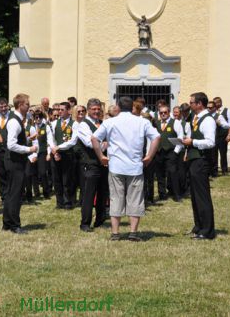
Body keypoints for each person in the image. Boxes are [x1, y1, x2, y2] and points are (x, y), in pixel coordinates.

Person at [92, 97, 160, 241]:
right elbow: (156, 137)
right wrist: (149, 156)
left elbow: (94, 139)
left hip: (116, 165)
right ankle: (133, 232)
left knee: (116, 198)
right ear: (132, 107)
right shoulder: (142, 122)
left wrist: (100, 156)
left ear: (118, 107)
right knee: (135, 199)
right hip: (135, 166)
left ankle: (115, 233)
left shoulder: (110, 122)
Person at [182, 92, 217, 240]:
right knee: (195, 196)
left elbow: (210, 142)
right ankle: (198, 226)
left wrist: (193, 143)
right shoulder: (195, 118)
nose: (190, 105)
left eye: (191, 102)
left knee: (202, 196)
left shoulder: (208, 120)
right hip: (193, 159)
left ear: (199, 104)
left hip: (202, 161)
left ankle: (207, 230)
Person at [3, 93, 38, 234]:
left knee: (11, 192)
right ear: (20, 105)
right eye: (27, 104)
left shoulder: (17, 120)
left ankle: (7, 223)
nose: (29, 107)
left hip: (14, 161)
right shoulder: (14, 121)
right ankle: (14, 225)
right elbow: (11, 144)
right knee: (16, 193)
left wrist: (27, 140)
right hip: (15, 162)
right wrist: (29, 148)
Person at [76, 99, 108, 232]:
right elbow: (90, 143)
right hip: (90, 164)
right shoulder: (83, 125)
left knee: (102, 192)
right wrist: (104, 144)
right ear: (88, 110)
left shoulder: (102, 123)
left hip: (104, 164)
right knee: (89, 195)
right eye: (94, 109)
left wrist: (106, 143)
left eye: (98, 109)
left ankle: (100, 219)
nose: (96, 111)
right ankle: (85, 223)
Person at [51, 102, 79, 209]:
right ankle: (59, 202)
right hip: (56, 154)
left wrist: (59, 147)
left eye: (62, 109)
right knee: (57, 179)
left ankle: (68, 202)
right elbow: (51, 139)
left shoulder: (74, 124)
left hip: (68, 154)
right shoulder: (54, 123)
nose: (59, 112)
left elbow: (73, 141)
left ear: (69, 111)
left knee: (67, 179)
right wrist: (55, 151)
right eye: (59, 110)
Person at [154, 105, 184, 202]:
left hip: (171, 152)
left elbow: (180, 138)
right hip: (159, 152)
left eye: (165, 112)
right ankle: (162, 194)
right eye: (161, 112)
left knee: (173, 173)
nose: (163, 114)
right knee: (160, 174)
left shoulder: (175, 122)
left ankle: (176, 195)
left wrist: (175, 152)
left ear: (168, 112)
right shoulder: (156, 123)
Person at [33, 112, 54, 199]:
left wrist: (49, 153)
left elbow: (50, 140)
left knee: (42, 172)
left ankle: (46, 192)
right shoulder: (31, 126)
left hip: (42, 152)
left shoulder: (46, 127)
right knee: (33, 173)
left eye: (40, 117)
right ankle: (36, 193)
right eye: (36, 117)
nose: (38, 119)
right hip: (32, 152)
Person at [213, 97, 230, 176]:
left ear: (220, 102)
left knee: (223, 154)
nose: (215, 105)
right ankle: (215, 171)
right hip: (215, 135)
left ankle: (224, 170)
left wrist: (229, 134)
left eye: (216, 103)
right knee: (214, 154)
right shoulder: (213, 112)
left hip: (223, 135)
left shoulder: (227, 110)